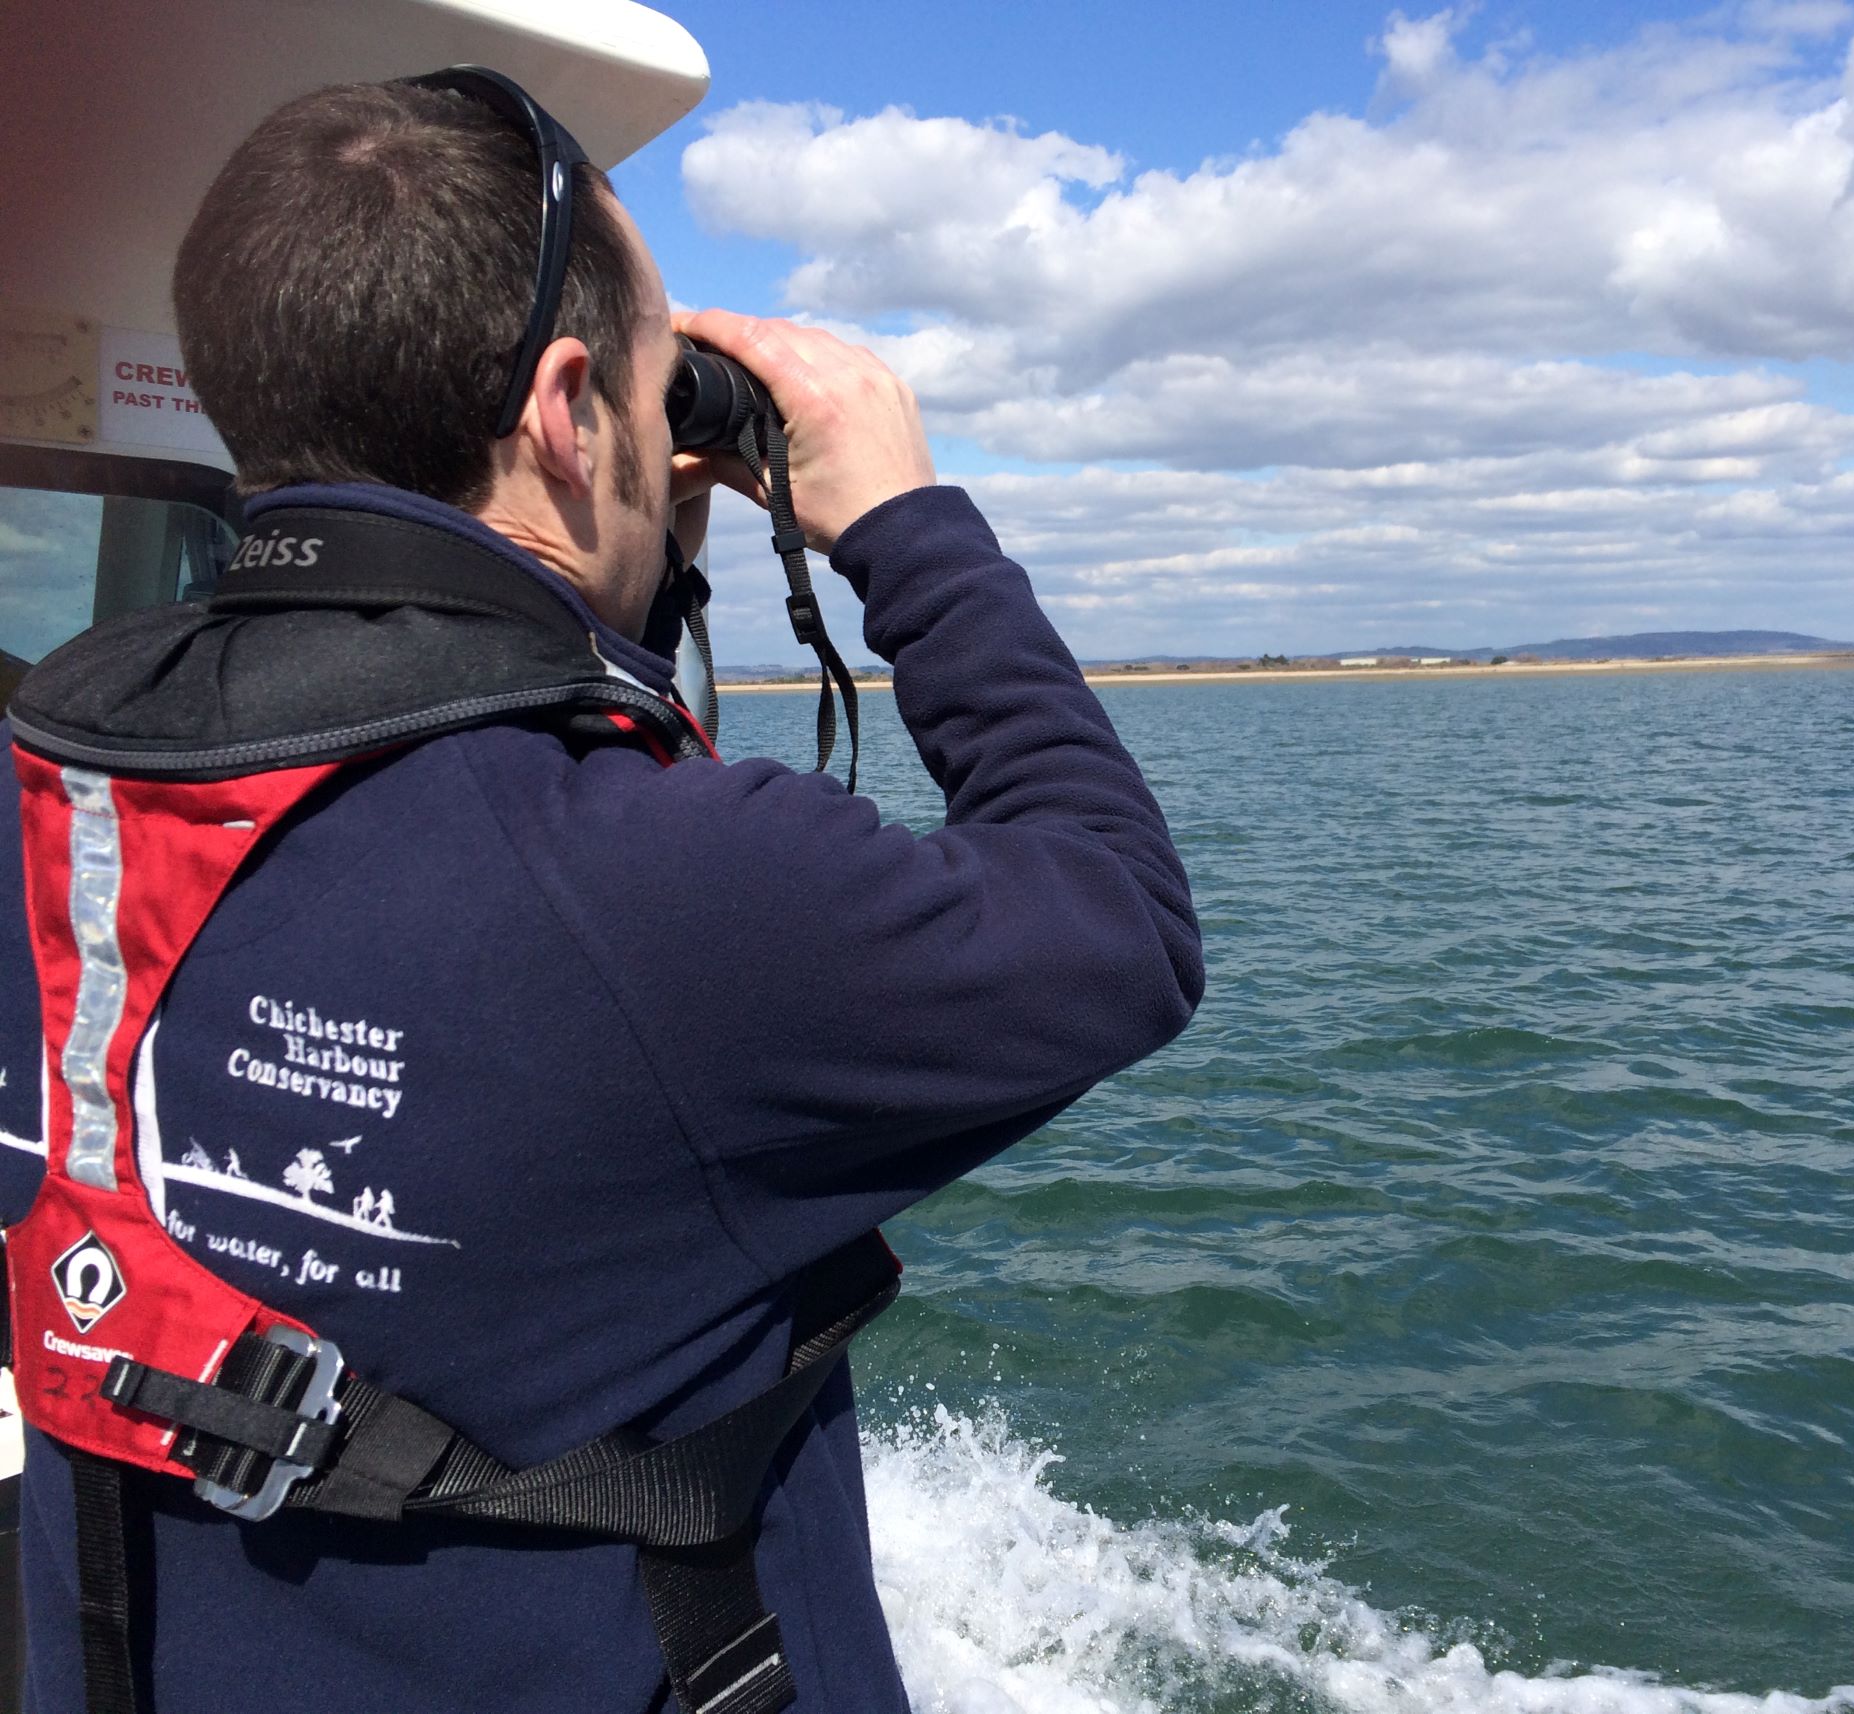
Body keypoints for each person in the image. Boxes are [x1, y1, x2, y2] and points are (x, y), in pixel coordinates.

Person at [0, 74, 1202, 1714]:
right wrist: (911, 525)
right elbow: (1118, 920)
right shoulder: (661, 887)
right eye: (650, 389)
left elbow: (445, 733)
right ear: (569, 411)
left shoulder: (50, 764)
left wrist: (624, 552)